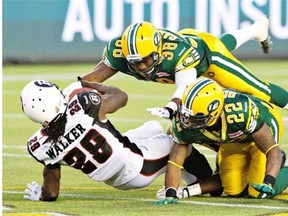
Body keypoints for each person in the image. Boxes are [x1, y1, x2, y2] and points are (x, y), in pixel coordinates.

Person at [20, 79, 213, 201]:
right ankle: (201, 182)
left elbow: (52, 192)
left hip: (115, 176)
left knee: (152, 127)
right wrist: (89, 84)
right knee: (178, 141)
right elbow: (121, 97)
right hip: (138, 167)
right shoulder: (82, 106)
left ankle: (181, 171)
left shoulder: (38, 145)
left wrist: (42, 195)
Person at [77, 16, 288, 120]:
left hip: (207, 56)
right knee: (223, 43)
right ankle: (256, 29)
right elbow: (96, 76)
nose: (141, 66)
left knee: (256, 88)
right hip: (188, 40)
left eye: (146, 60)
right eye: (135, 62)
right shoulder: (119, 50)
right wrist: (69, 92)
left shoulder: (178, 53)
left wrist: (170, 107)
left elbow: (185, 86)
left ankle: (255, 29)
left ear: (158, 50)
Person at [156, 78, 288, 204]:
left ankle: (284, 167)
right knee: (234, 190)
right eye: (186, 115)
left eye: (195, 118)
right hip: (232, 140)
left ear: (215, 112)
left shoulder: (240, 112)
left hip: (263, 129)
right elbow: (175, 162)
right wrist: (171, 193)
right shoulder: (184, 121)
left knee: (259, 192)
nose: (188, 122)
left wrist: (269, 180)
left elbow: (272, 149)